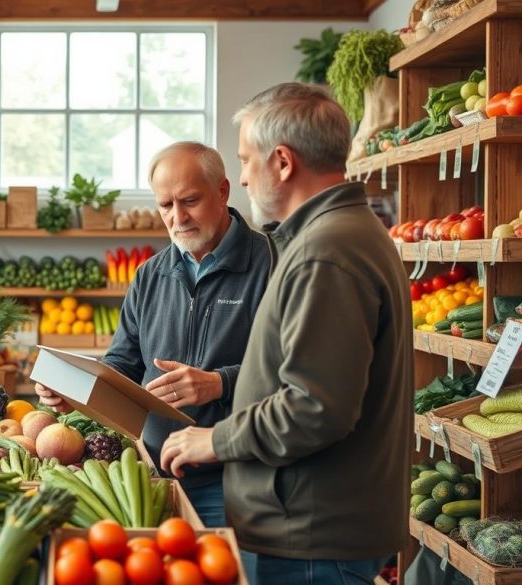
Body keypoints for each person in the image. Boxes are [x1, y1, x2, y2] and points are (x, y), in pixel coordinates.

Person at [160, 83, 412, 584]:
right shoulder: (334, 236)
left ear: (282, 161)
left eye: (247, 161)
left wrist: (215, 439)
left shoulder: (326, 252)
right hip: (310, 527)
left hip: (313, 538)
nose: (245, 179)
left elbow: (314, 406)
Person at [36, 142, 273, 533]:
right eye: (165, 205)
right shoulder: (150, 275)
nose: (177, 217)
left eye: (190, 201)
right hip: (151, 473)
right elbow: (122, 365)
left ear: (224, 191)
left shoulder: (270, 264)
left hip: (236, 481)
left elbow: (292, 371)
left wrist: (220, 383)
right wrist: (74, 388)